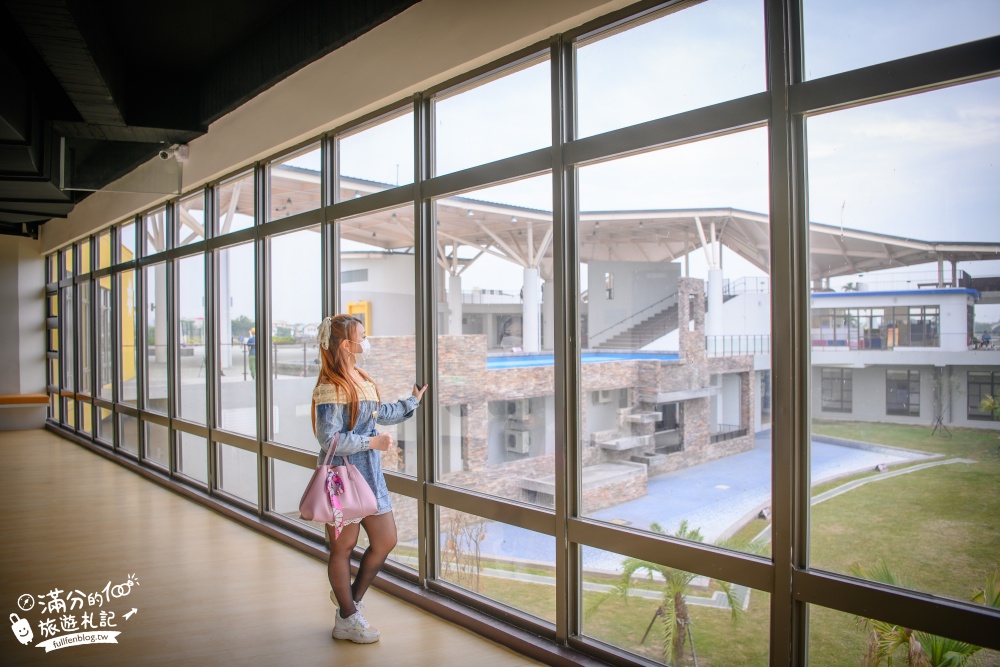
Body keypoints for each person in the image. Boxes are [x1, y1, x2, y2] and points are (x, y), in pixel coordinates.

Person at [311, 314, 427, 644]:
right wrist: (372, 443)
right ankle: (347, 616)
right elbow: (329, 439)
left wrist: (412, 401)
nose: (367, 340)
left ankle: (350, 602)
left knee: (385, 539)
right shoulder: (329, 388)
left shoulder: (360, 377)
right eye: (362, 335)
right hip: (342, 480)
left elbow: (378, 413)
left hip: (371, 477)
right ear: (346, 344)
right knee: (342, 548)